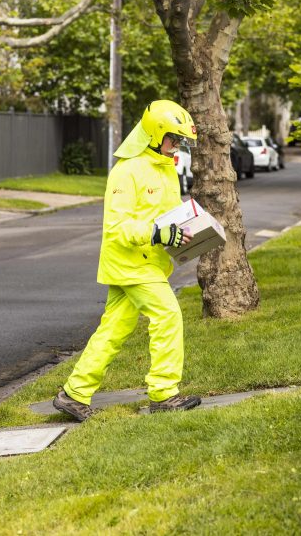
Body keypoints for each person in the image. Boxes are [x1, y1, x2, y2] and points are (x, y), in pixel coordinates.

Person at [53, 100, 203, 421]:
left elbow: (168, 218)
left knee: (113, 329)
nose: (176, 146)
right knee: (168, 316)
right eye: (172, 139)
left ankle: (74, 393)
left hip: (148, 263)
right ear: (154, 134)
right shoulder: (127, 171)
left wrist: (188, 230)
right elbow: (117, 227)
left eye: (180, 141)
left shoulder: (166, 169)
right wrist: (159, 233)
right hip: (130, 263)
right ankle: (164, 394)